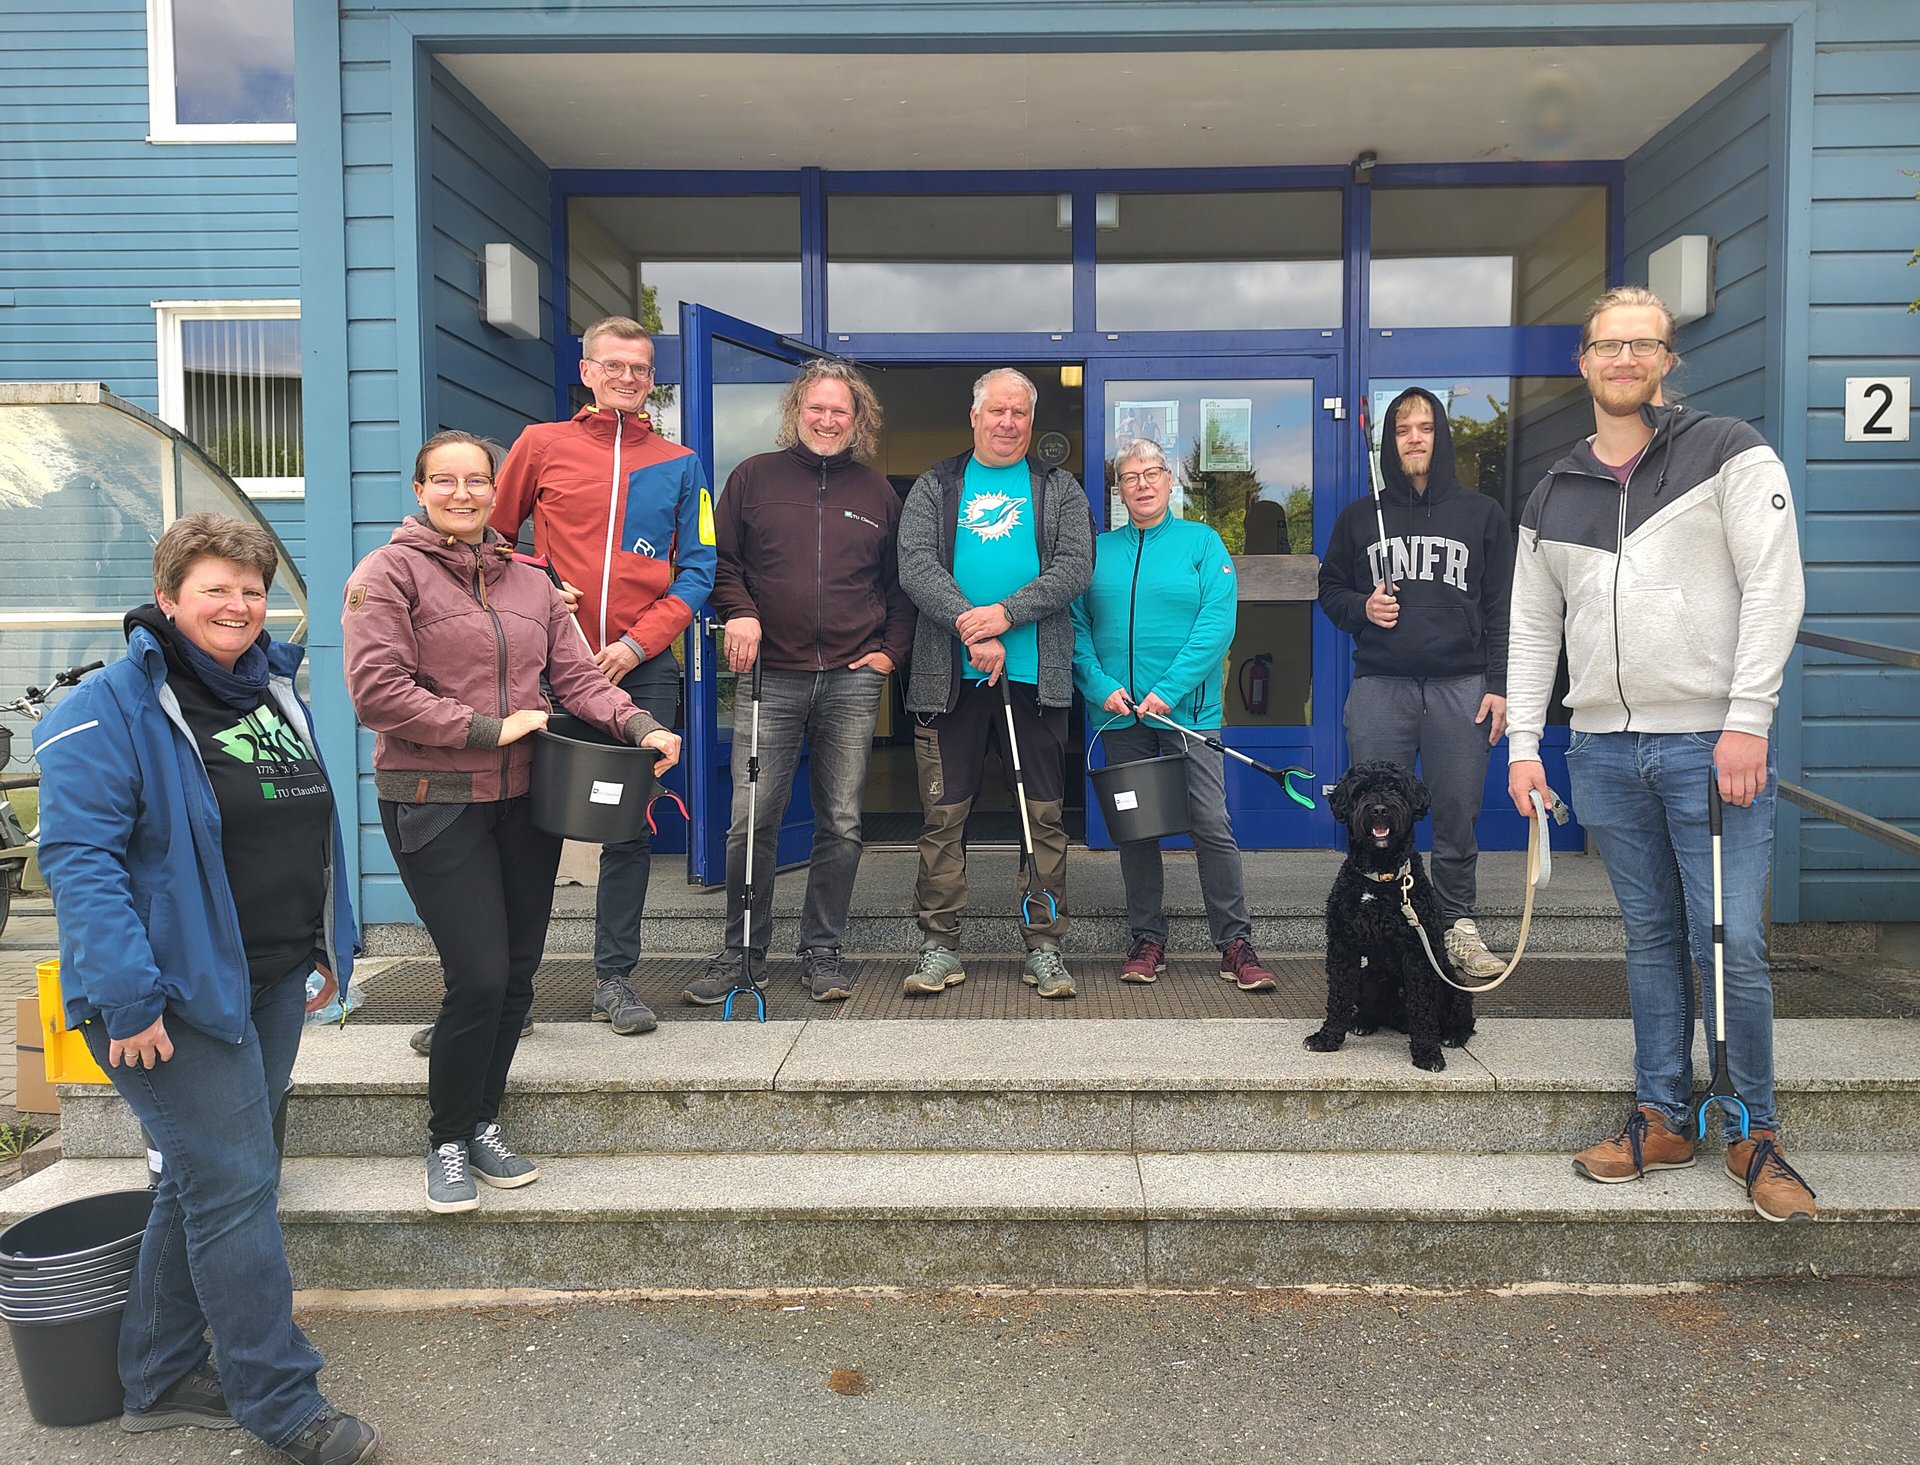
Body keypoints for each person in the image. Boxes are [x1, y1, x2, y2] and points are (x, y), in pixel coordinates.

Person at [35, 514, 376, 1463]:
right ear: (169, 596)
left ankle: (157, 1373)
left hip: (265, 979)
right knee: (235, 1188)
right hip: (166, 998)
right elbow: (81, 864)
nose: (238, 605)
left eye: (251, 589)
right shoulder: (106, 708)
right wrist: (128, 996)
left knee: (205, 1182)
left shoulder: (270, 689)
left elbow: (302, 825)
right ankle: (280, 1399)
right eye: (215, 588)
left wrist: (322, 946)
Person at [1506, 286, 1814, 1223]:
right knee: (1649, 939)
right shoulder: (1553, 490)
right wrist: (1526, 745)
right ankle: (1663, 1114)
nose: (1625, 359)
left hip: (1711, 744)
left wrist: (1748, 718)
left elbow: (1774, 585)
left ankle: (1752, 1130)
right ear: (1584, 362)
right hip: (1602, 748)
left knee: (1734, 941)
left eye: (1644, 345)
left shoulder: (1727, 451)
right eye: (1609, 345)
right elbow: (1532, 628)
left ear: (1667, 361)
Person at [344, 431, 681, 1215]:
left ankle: (483, 1120)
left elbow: (577, 677)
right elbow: (377, 691)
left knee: (519, 975)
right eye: (445, 480)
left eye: (477, 481)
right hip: (434, 797)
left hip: (527, 802)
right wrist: (486, 729)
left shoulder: (530, 580)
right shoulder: (387, 574)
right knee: (480, 975)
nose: (462, 493)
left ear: (497, 492)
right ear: (420, 489)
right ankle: (447, 1138)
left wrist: (640, 726)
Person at [490, 315, 714, 1036]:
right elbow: (492, 542)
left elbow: (699, 568)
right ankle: (508, 991)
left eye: (639, 368)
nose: (626, 377)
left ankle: (614, 980)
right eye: (612, 365)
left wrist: (635, 645)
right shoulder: (539, 444)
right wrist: (537, 588)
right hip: (545, 667)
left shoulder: (681, 462)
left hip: (639, 674)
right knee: (526, 827)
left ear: (653, 379)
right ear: (586, 372)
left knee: (626, 827)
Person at [681, 359, 915, 1005]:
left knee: (840, 822)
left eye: (841, 410)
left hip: (851, 679)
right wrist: (740, 611)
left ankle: (822, 950)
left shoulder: (878, 493)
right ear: (796, 410)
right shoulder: (752, 477)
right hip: (770, 679)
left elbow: (900, 585)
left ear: (858, 419)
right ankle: (741, 953)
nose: (828, 419)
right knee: (751, 819)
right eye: (818, 407)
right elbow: (718, 561)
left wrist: (890, 654)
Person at [897, 367, 1094, 999]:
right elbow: (915, 565)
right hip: (948, 679)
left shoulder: (1060, 488)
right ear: (975, 417)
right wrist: (970, 624)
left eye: (1019, 412)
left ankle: (1044, 947)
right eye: (997, 411)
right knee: (943, 817)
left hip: (1037, 680)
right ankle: (939, 946)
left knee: (1043, 819)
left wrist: (1005, 615)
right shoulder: (936, 484)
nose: (1007, 422)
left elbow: (1075, 567)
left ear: (1030, 421)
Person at [1318, 386, 1515, 981]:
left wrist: (1500, 683)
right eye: (1403, 430)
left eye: (1425, 428)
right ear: (1389, 442)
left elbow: (1504, 606)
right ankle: (1374, 927)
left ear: (1441, 436)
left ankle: (1456, 925)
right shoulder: (1360, 517)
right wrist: (1363, 607)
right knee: (1372, 812)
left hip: (1462, 684)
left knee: (1456, 809)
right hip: (1382, 684)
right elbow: (1330, 591)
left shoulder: (1482, 514)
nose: (1414, 439)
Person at [1072, 438, 1277, 991]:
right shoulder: (1097, 552)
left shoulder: (1201, 543)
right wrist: (1100, 687)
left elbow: (1217, 624)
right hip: (1120, 717)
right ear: (1118, 490)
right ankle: (1147, 939)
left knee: (1210, 823)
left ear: (1169, 481)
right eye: (1130, 476)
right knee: (1136, 830)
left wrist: (1168, 689)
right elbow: (1075, 628)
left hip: (1187, 716)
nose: (1142, 484)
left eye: (1152, 473)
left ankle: (1234, 943)